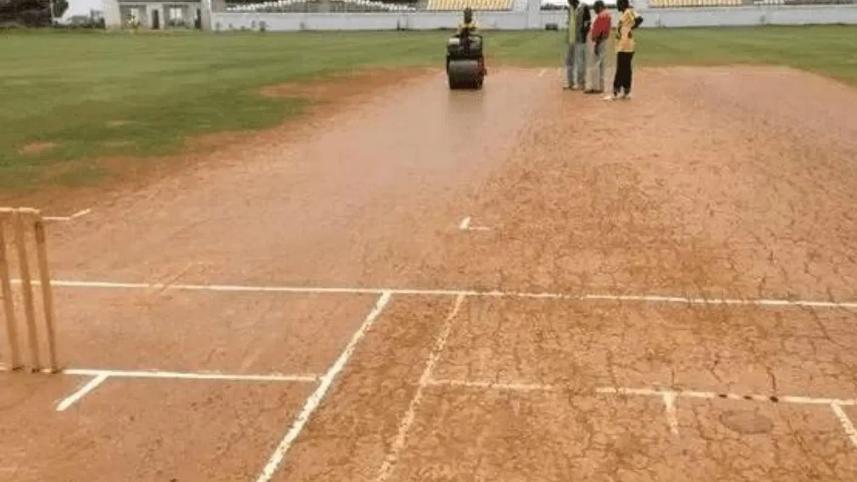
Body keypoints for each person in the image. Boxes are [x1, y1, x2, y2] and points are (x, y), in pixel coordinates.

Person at [606, 0, 643, 100]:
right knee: (626, 69)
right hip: (623, 45)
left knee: (621, 69)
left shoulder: (628, 11)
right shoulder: (624, 14)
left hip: (625, 46)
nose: (617, 5)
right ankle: (626, 91)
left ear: (623, 4)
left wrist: (631, 28)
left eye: (618, 3)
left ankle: (615, 92)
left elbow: (639, 19)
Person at [585, 0, 611, 94]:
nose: (594, 10)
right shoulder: (606, 14)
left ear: (600, 7)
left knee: (595, 64)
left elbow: (601, 32)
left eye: (595, 8)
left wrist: (596, 44)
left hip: (599, 42)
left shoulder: (602, 15)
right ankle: (600, 86)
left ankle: (595, 87)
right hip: (601, 41)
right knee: (600, 64)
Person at [564, 0, 590, 90]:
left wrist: (584, 34)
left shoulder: (584, 7)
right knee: (569, 62)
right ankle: (570, 83)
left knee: (580, 62)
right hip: (570, 39)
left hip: (580, 39)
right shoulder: (569, 8)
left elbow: (588, 23)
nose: (568, 2)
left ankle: (581, 83)